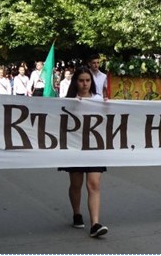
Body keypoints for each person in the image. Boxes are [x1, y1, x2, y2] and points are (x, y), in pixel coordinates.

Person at [59, 67, 109, 238]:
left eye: (88, 80)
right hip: (75, 146)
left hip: (94, 146)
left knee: (94, 184)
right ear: (75, 82)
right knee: (76, 183)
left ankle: (95, 223)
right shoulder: (69, 100)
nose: (85, 84)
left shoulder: (98, 99)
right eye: (81, 80)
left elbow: (107, 120)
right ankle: (77, 213)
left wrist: (108, 106)